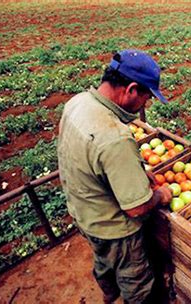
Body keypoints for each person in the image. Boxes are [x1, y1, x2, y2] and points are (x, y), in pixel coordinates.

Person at [57, 49, 173, 304]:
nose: (145, 104)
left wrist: (134, 171)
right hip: (114, 230)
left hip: (84, 211)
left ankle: (109, 292)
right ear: (131, 89)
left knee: (102, 260)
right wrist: (160, 195)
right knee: (137, 282)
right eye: (146, 96)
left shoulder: (78, 102)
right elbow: (137, 208)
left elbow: (90, 159)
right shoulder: (115, 137)